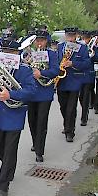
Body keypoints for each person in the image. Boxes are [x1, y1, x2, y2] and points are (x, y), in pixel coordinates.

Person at [0, 37, 38, 196]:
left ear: (17, 54)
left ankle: (3, 185)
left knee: (10, 149)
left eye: (10, 53)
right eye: (4, 52)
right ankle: (9, 167)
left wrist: (10, 94)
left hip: (14, 114)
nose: (6, 55)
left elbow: (31, 92)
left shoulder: (24, 70)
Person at [26, 29, 59, 162]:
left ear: (46, 41)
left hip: (45, 92)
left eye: (42, 40)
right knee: (32, 120)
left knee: (41, 121)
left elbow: (55, 70)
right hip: (31, 92)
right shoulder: (28, 54)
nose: (39, 43)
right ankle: (35, 142)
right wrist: (27, 64)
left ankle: (40, 151)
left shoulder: (52, 54)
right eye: (37, 40)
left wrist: (42, 74)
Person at [56, 27, 90, 143]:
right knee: (63, 106)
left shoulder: (82, 48)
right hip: (61, 81)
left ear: (76, 36)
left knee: (71, 107)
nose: (70, 38)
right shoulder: (60, 47)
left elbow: (87, 63)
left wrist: (72, 63)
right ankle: (67, 124)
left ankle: (70, 131)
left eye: (72, 35)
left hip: (75, 80)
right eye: (68, 36)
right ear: (65, 36)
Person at [78, 31, 96, 127]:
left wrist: (93, 55)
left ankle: (84, 117)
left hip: (88, 74)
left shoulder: (93, 47)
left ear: (89, 39)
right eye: (83, 38)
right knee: (81, 97)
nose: (84, 40)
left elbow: (96, 57)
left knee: (85, 97)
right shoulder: (79, 47)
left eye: (86, 38)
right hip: (78, 76)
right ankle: (85, 110)